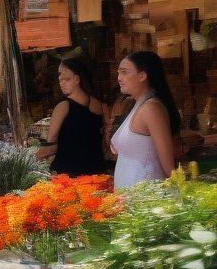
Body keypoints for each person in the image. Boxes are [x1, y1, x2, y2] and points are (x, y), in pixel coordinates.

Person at [111, 51, 180, 188]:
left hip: (148, 200)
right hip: (131, 201)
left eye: (124, 72)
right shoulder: (136, 104)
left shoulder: (151, 108)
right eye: (119, 73)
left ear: (142, 76)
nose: (119, 78)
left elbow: (168, 167)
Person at [35, 57, 108, 177]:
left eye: (66, 79)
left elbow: (50, 143)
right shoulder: (98, 104)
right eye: (60, 80)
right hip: (96, 171)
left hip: (68, 174)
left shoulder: (63, 106)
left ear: (77, 79)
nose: (62, 83)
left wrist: (33, 158)